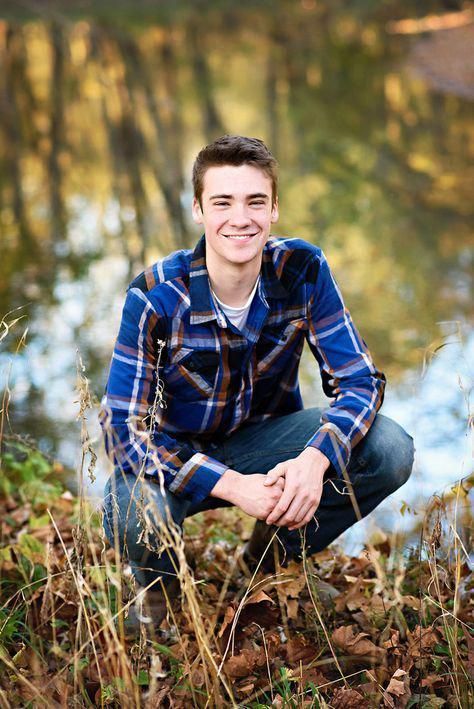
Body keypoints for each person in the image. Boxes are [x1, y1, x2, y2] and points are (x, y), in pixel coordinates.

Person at [99, 135, 414, 626]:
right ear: (199, 210)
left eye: (255, 202)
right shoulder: (156, 296)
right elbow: (123, 432)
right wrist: (230, 485)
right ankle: (162, 594)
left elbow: (360, 381)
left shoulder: (303, 270)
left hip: (267, 445)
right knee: (130, 507)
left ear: (274, 210)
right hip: (175, 459)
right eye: (222, 202)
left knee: (389, 448)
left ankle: (264, 563)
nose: (240, 218)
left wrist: (315, 459)